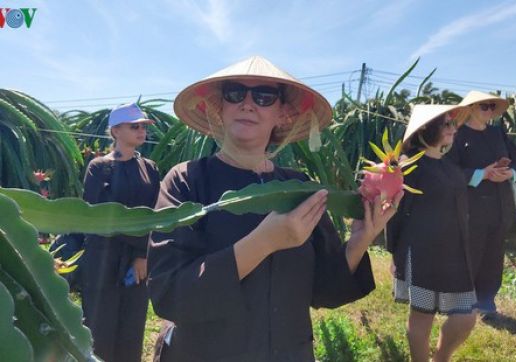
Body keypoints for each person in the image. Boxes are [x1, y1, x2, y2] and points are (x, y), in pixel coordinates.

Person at [147, 56, 402, 361]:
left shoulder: (300, 188)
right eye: (235, 94)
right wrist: (263, 242)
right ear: (221, 106)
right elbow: (169, 294)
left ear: (281, 113)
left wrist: (361, 239)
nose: (248, 104)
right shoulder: (186, 181)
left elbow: (325, 290)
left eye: (264, 97)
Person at [387, 105, 476, 362]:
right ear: (427, 130)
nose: (453, 128)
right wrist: (395, 253)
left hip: (453, 255)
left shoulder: (448, 164)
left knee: (466, 316)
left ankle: (441, 357)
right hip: (422, 254)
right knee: (422, 317)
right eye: (446, 124)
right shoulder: (408, 167)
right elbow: (395, 212)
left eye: (452, 123)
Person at [81, 103, 160, 362]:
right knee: (99, 330)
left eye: (143, 126)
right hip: (102, 258)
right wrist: (139, 246)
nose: (141, 131)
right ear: (115, 131)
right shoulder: (98, 167)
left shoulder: (150, 168)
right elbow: (98, 216)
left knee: (131, 328)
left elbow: (155, 213)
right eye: (134, 126)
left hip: (138, 261)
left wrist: (143, 255)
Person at [447, 91, 516, 316]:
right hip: (471, 208)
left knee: (493, 254)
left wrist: (509, 172)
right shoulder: (457, 135)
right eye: (485, 106)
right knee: (470, 252)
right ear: (470, 108)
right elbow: (449, 170)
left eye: (492, 107)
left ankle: (487, 300)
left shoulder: (497, 133)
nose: (490, 111)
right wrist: (482, 174)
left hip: (500, 205)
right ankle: (462, 300)